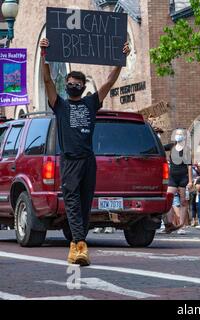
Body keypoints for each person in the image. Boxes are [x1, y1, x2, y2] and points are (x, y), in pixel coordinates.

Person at [40, 38, 130, 266]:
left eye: (77, 83)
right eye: (70, 82)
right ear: (66, 85)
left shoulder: (90, 103)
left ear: (83, 86)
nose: (73, 85)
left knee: (84, 202)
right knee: (71, 202)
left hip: (88, 160)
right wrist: (44, 55)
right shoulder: (59, 104)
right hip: (69, 160)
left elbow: (109, 82)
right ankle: (79, 245)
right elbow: (47, 80)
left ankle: (76, 240)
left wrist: (121, 59)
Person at [165, 128, 193, 233]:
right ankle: (169, 224)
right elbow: (160, 147)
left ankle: (181, 226)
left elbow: (189, 166)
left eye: (180, 134)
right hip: (172, 177)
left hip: (183, 178)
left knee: (183, 202)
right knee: (168, 200)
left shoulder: (186, 149)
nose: (178, 136)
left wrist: (190, 181)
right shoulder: (171, 147)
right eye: (177, 134)